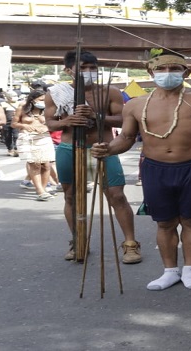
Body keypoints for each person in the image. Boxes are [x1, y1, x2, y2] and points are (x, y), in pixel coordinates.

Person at [91, 37, 191, 289]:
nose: (167, 73)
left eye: (174, 69)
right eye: (162, 69)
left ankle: (190, 270)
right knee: (164, 222)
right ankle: (169, 270)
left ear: (185, 72)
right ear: (151, 72)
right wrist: (106, 149)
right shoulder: (135, 105)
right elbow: (125, 138)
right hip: (156, 169)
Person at [45, 51, 141, 264]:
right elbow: (50, 123)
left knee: (116, 196)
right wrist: (69, 121)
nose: (88, 72)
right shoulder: (56, 93)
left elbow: (122, 121)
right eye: (83, 67)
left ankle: (130, 244)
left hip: (104, 148)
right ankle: (78, 241)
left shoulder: (110, 92)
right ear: (68, 70)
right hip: (70, 148)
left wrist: (96, 117)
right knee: (71, 196)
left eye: (92, 68)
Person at [12, 90, 56, 200]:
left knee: (46, 165)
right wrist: (24, 126)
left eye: (44, 100)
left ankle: (44, 189)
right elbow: (13, 123)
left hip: (44, 138)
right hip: (27, 138)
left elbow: (55, 123)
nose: (43, 102)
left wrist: (46, 125)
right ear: (33, 99)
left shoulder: (47, 109)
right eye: (41, 99)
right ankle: (40, 191)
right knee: (34, 164)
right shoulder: (22, 108)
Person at [0, 90, 20, 157]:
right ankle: (10, 149)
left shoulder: (19, 104)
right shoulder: (3, 104)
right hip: (6, 123)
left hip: (16, 122)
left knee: (16, 136)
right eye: (13, 96)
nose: (15, 97)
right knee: (7, 136)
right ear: (8, 97)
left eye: (16, 96)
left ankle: (16, 149)